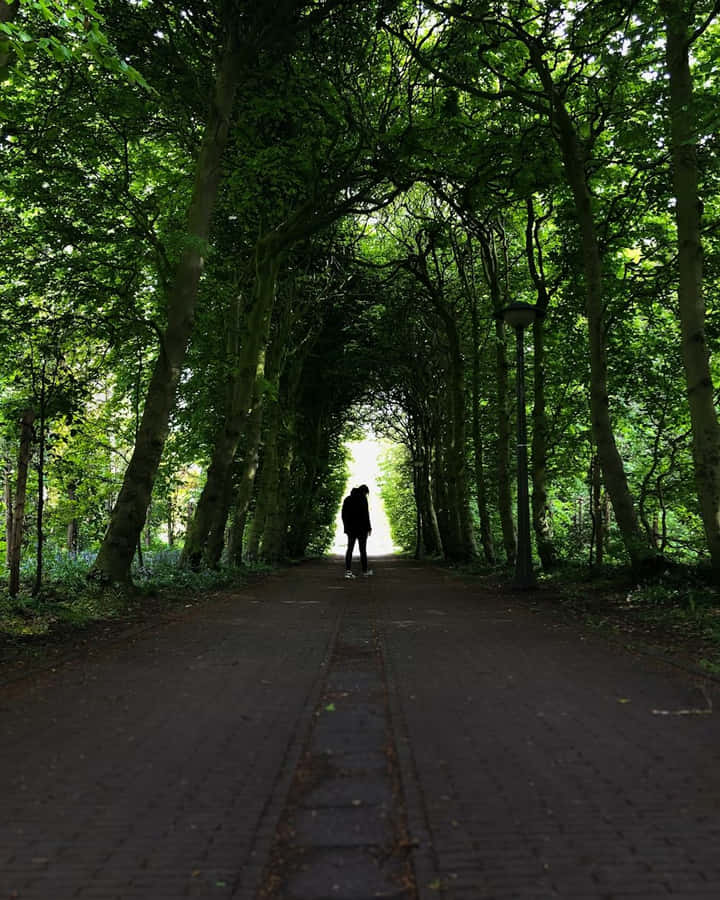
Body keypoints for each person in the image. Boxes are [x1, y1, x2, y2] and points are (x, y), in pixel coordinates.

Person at [341, 484, 373, 578]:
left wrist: (346, 527)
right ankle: (364, 571)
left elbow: (343, 515)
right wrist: (369, 528)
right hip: (362, 529)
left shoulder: (347, 499)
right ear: (364, 492)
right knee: (363, 550)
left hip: (351, 529)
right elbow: (366, 514)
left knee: (349, 549)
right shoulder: (363, 499)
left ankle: (348, 571)